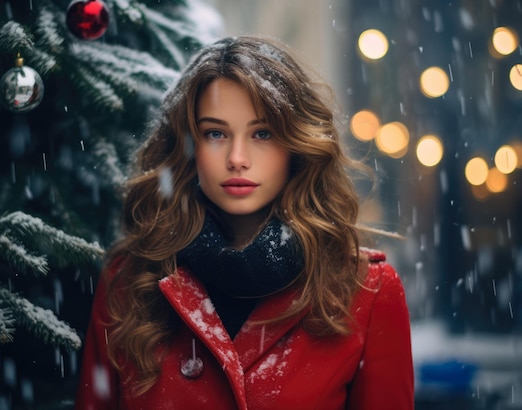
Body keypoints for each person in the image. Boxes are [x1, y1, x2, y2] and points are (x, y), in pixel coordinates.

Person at [74, 35, 414, 409]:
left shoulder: (366, 292)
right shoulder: (130, 281)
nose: (237, 158)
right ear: (188, 147)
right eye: (215, 133)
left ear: (296, 145)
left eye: (262, 133)